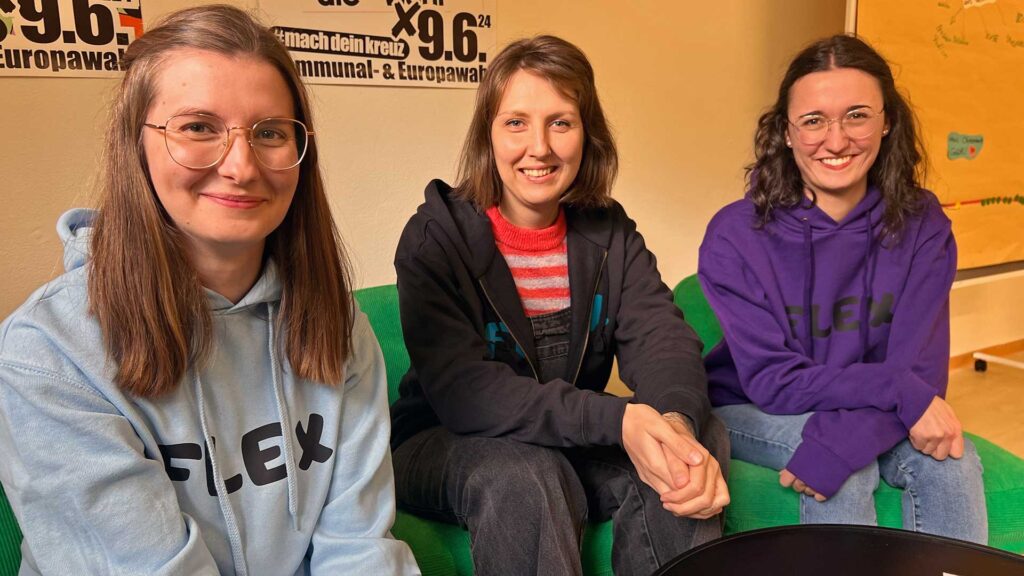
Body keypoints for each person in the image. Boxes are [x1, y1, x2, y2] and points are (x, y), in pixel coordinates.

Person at [0, 5, 419, 574]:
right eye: (198, 127)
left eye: (269, 132)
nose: (241, 165)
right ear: (136, 146)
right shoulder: (47, 352)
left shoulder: (336, 322)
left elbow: (360, 545)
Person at [390, 35, 730, 575]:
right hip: (445, 439)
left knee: (692, 435)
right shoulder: (437, 235)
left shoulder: (610, 231)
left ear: (586, 134)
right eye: (516, 122)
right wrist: (618, 419)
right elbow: (465, 395)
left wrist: (673, 425)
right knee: (525, 471)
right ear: (489, 135)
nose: (540, 147)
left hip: (559, 438)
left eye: (561, 122)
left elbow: (663, 338)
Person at [698, 34, 987, 542]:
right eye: (813, 121)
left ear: (887, 120)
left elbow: (918, 371)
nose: (836, 141)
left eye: (857, 115)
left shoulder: (924, 224)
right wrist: (895, 395)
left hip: (869, 400)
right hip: (752, 406)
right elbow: (774, 382)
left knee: (952, 461)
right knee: (846, 474)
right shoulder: (735, 233)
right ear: (786, 133)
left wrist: (857, 427)